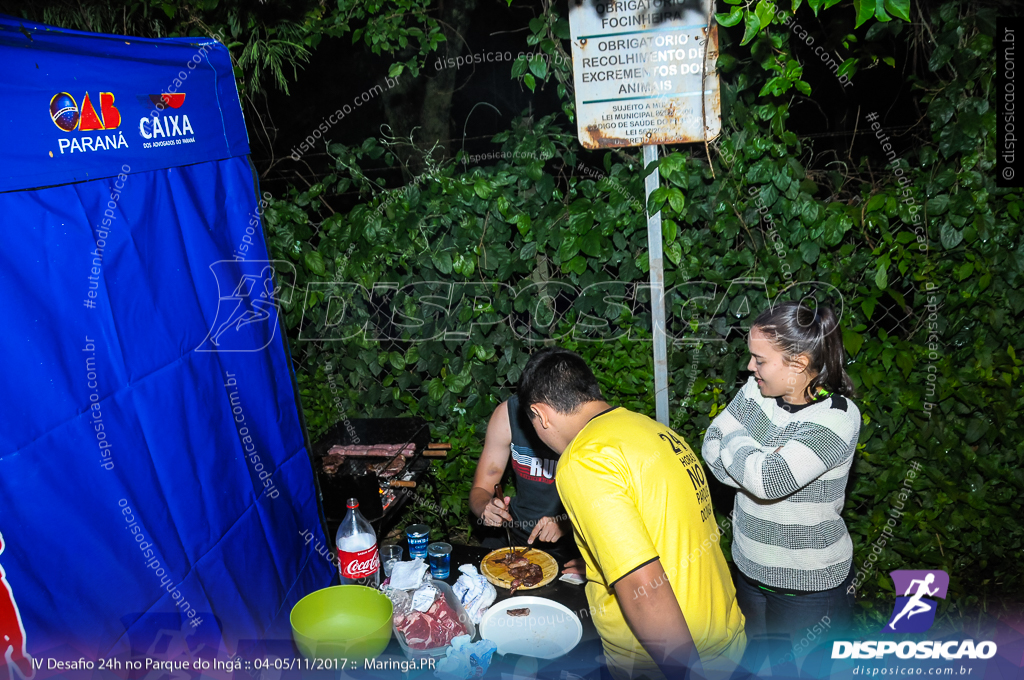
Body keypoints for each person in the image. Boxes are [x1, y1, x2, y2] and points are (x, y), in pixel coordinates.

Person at [518, 347, 746, 680]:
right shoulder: (655, 432)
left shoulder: (585, 459)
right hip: (726, 642)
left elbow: (645, 589)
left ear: (541, 415)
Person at [701, 301, 861, 664]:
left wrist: (740, 442)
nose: (750, 367)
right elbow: (710, 445)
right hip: (749, 567)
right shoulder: (756, 390)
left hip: (809, 587)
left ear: (798, 364)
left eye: (760, 359)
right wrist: (752, 462)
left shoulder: (837, 418)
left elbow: (768, 481)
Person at [469, 395, 577, 562]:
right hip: (515, 528)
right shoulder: (508, 414)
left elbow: (607, 504)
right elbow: (480, 489)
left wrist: (568, 522)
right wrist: (486, 508)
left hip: (572, 537)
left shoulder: (585, 418)